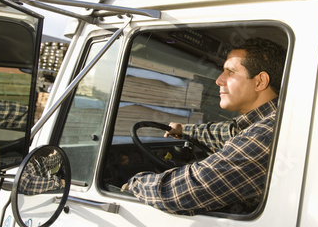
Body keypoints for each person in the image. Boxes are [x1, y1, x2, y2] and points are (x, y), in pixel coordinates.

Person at [122, 37, 286, 215]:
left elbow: (187, 190)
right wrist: (184, 130)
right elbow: (227, 132)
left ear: (260, 81)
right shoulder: (267, 121)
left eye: (230, 72)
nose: (219, 80)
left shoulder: (267, 134)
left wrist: (135, 184)